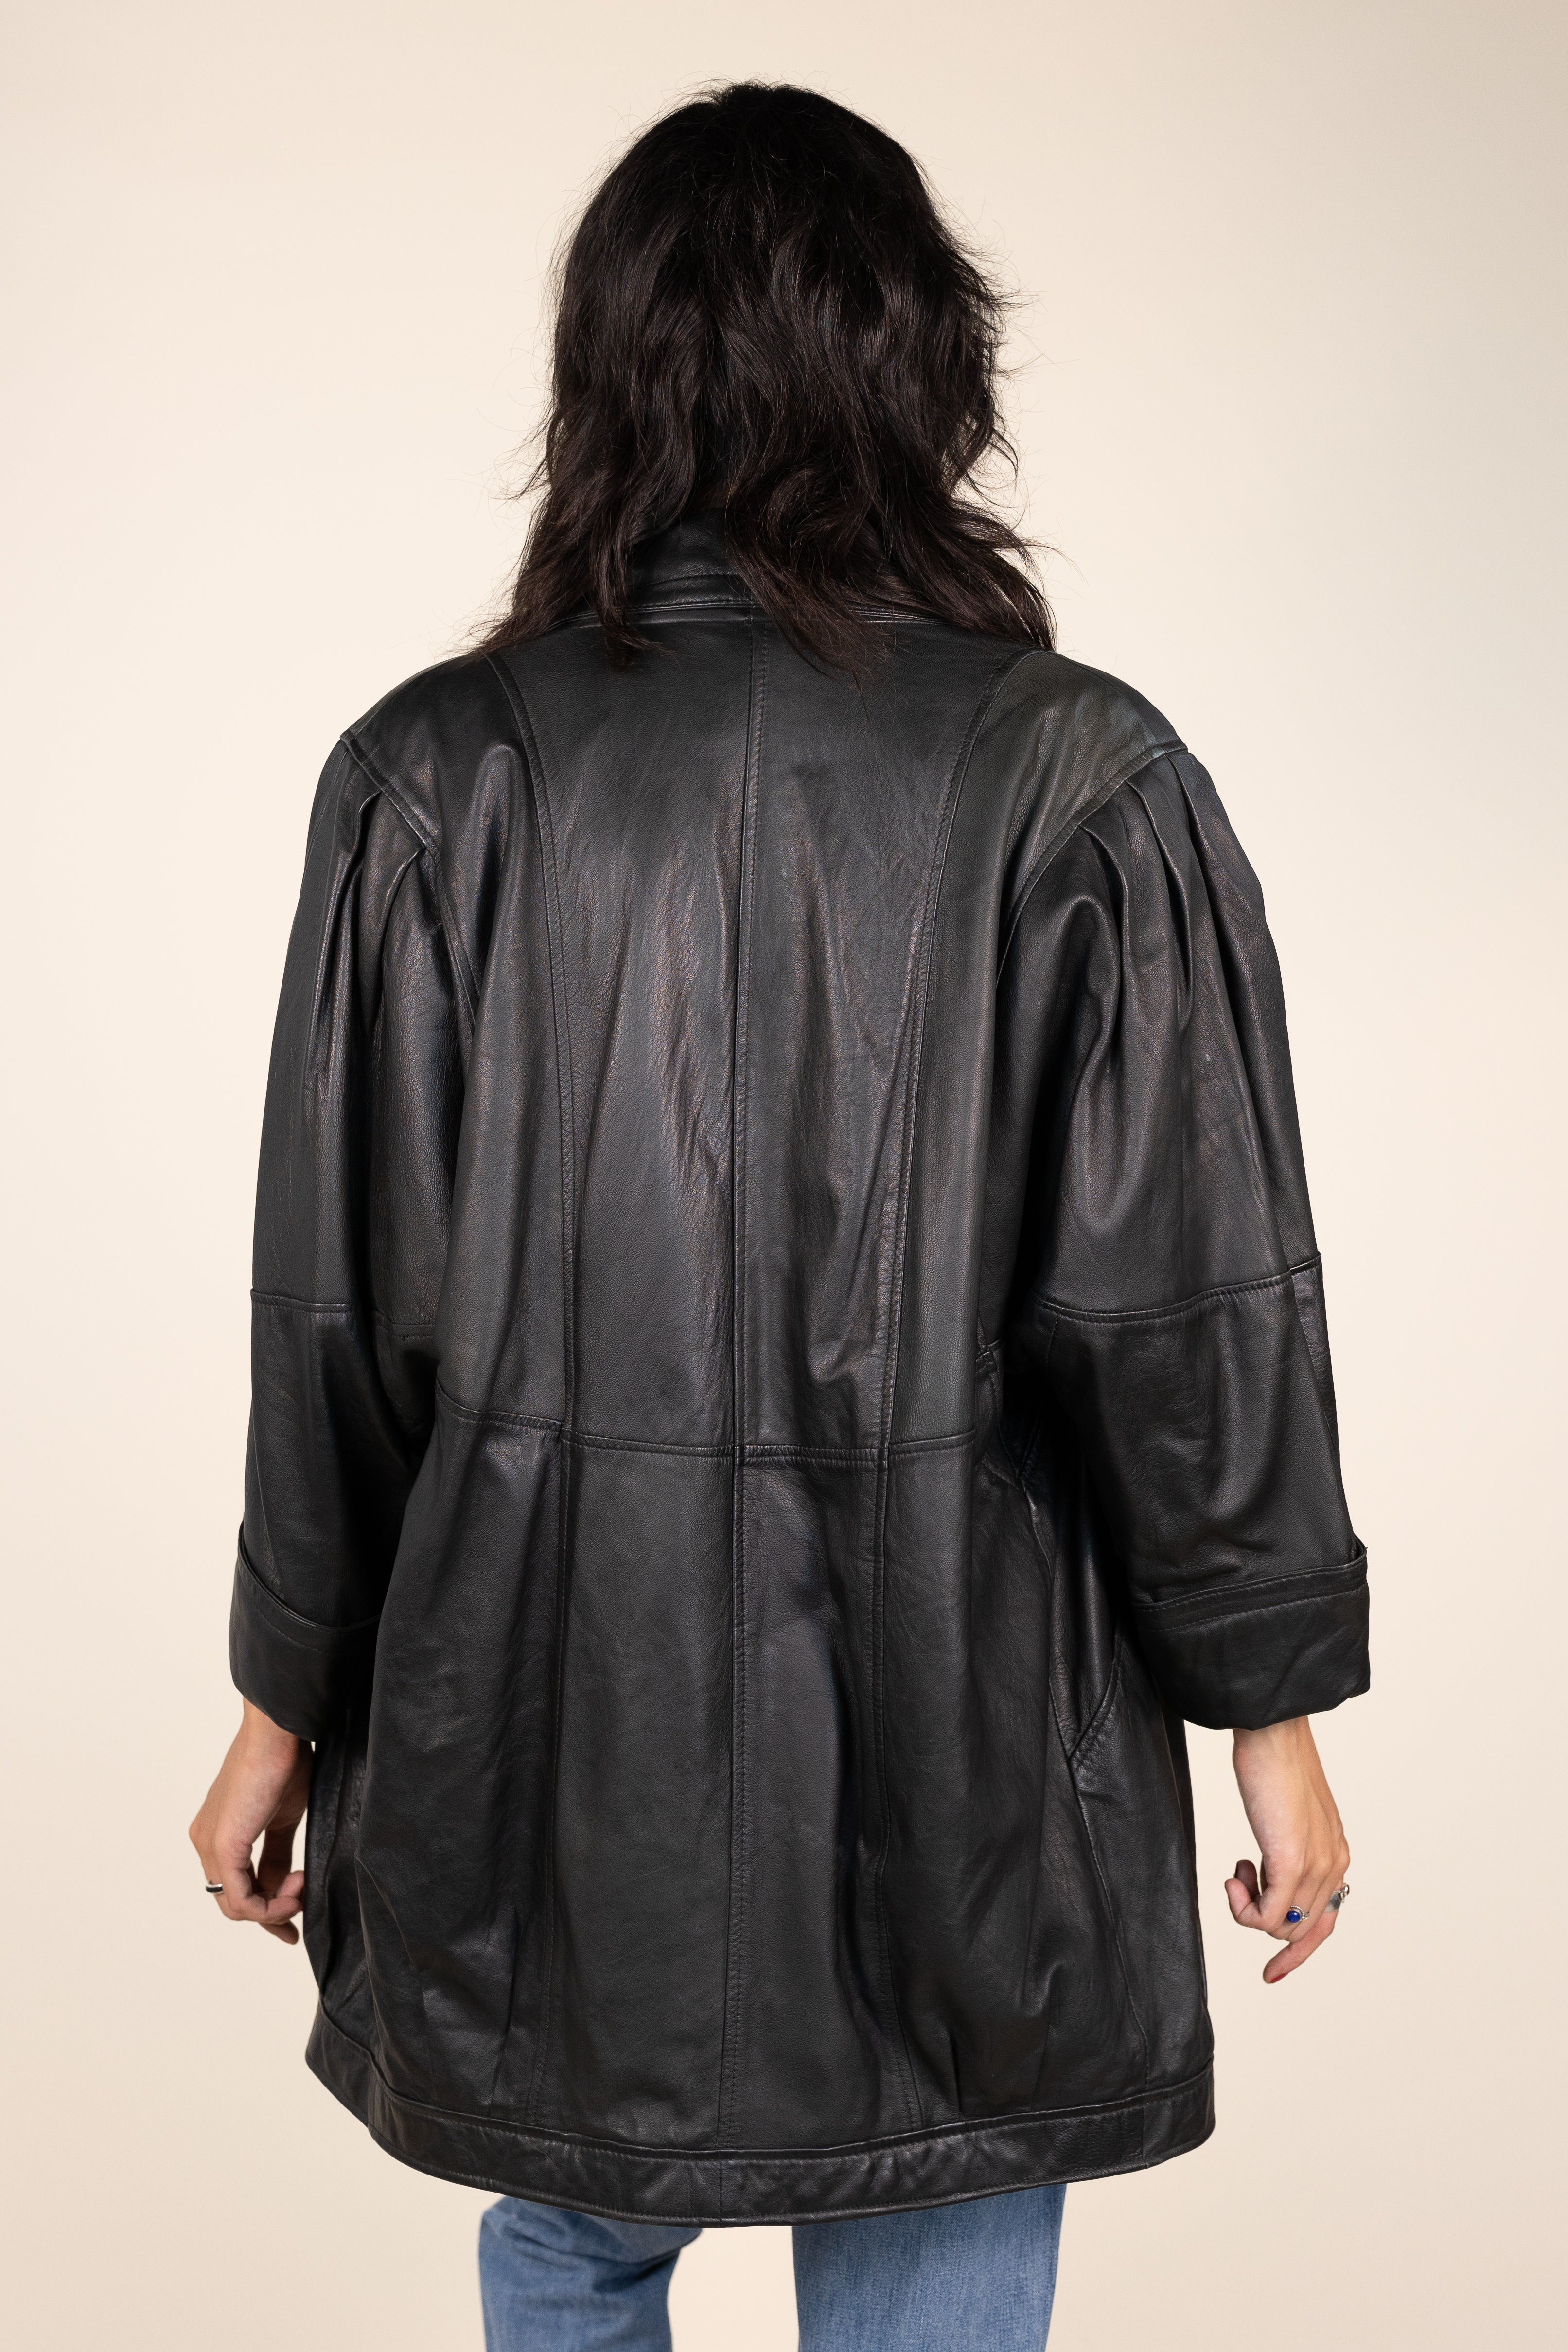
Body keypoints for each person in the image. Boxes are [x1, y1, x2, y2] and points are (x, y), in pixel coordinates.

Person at [191, 82, 1363, 2352]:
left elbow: (346, 1308)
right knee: (942, 2190)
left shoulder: (436, 774)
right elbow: (1184, 1304)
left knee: (570, 2226)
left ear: (609, 369)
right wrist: (1274, 1706)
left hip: (555, 1718)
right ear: (920, 362)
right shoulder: (1076, 772)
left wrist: (280, 1702)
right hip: (965, 1721)